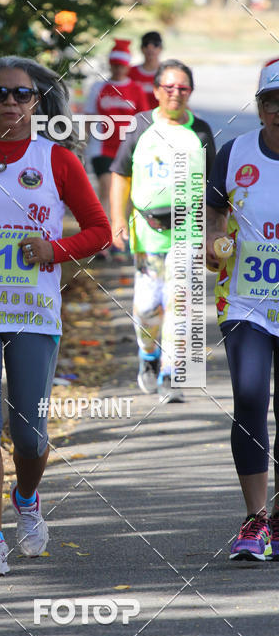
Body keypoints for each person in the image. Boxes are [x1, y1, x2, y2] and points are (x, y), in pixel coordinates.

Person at [0, 55, 111, 576]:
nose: (10, 101)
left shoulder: (57, 161)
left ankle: (26, 498)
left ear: (37, 102)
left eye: (21, 94)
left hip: (34, 311)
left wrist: (54, 250)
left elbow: (99, 230)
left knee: (30, 432)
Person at [206, 57, 279, 561]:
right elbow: (209, 215)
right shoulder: (234, 153)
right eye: (272, 102)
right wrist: (212, 241)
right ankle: (255, 520)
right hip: (247, 303)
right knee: (250, 399)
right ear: (259, 107)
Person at [110, 59, 215, 402]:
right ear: (156, 91)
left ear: (191, 92)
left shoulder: (200, 132)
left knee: (180, 304)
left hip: (189, 230)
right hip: (148, 232)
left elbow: (216, 188)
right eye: (168, 87)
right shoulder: (140, 126)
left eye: (182, 88)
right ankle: (149, 354)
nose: (175, 93)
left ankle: (172, 373)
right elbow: (119, 175)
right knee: (146, 307)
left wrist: (217, 232)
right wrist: (117, 220)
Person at [87, 39, 149, 221]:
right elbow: (89, 117)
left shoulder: (135, 89)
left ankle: (122, 232)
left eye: (122, 66)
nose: (118, 69)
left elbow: (144, 119)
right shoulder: (99, 87)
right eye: (115, 65)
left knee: (126, 191)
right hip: (102, 147)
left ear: (128, 66)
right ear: (110, 65)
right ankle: (105, 235)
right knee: (106, 188)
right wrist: (83, 141)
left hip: (127, 147)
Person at [129, 30, 163, 110]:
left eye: (155, 45)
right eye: (146, 44)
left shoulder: (168, 73)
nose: (150, 48)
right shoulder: (130, 72)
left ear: (160, 48)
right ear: (141, 48)